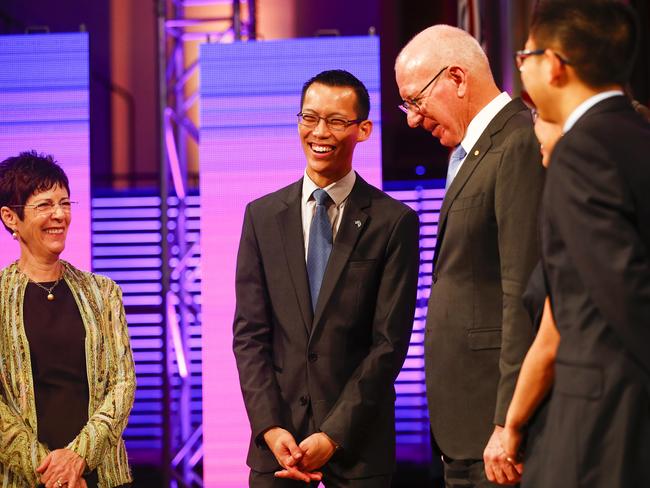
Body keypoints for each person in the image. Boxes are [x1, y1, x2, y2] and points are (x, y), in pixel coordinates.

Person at [232, 69, 420, 487]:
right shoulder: (261, 217)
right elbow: (249, 336)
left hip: (358, 451)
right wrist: (270, 427)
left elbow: (388, 344)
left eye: (336, 121)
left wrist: (333, 435)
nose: (320, 132)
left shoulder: (394, 222)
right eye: (309, 118)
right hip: (277, 450)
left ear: (363, 129)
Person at [394, 25, 545, 487]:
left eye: (416, 102)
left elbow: (522, 293)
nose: (412, 121)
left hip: (496, 433)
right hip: (464, 429)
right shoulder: (471, 149)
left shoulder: (517, 142)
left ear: (457, 78)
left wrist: (508, 420)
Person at [509, 1, 650, 486]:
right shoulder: (637, 134)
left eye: (524, 55)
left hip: (603, 424)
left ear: (554, 64)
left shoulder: (583, 149)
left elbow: (624, 291)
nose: (522, 66)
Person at [0, 152, 135, 488]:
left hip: (102, 476)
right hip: (26, 479)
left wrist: (78, 458)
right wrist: (51, 474)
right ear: (10, 217)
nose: (59, 215)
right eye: (44, 205)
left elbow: (123, 383)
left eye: (64, 203)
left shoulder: (103, 292)